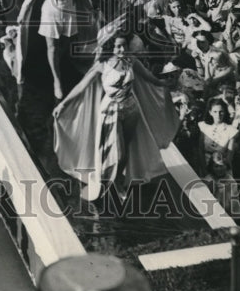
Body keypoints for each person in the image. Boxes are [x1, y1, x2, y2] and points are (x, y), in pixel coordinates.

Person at [53, 36, 179, 201]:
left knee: (126, 149)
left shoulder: (131, 61)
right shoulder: (102, 65)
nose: (122, 49)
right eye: (118, 46)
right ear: (110, 48)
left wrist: (165, 83)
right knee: (117, 153)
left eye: (124, 45)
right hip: (111, 111)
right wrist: (63, 104)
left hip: (132, 109)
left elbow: (149, 78)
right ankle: (110, 181)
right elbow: (82, 86)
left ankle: (119, 179)